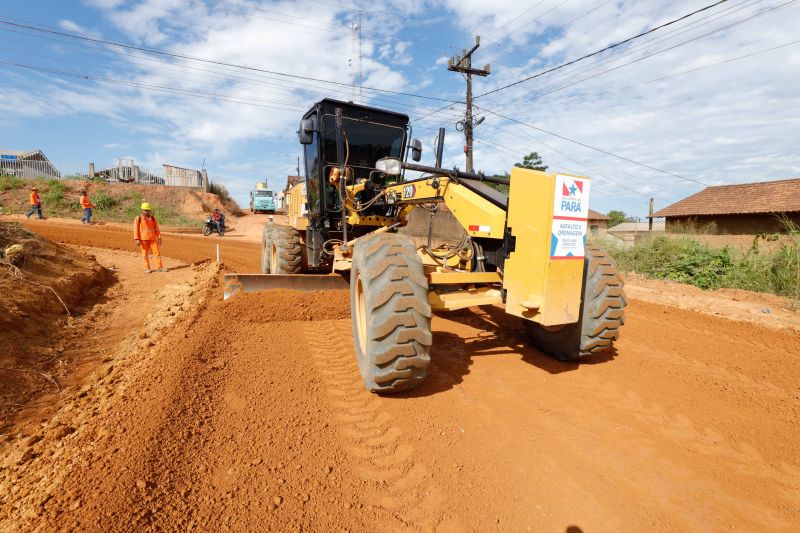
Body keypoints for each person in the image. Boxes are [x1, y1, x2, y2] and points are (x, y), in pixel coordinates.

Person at [133, 202, 166, 273]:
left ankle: (159, 267)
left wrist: (159, 237)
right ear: (142, 210)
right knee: (145, 254)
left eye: (148, 210)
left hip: (153, 238)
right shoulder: (138, 218)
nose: (146, 212)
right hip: (143, 239)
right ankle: (147, 268)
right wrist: (137, 239)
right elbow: (136, 229)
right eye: (145, 210)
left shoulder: (153, 218)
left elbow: (156, 228)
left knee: (157, 253)